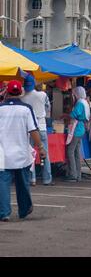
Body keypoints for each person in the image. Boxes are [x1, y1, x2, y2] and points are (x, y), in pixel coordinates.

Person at [0, 80, 46, 221]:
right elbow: (33, 130)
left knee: (3, 184)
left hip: (2, 154)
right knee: (23, 182)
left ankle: (4, 213)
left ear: (7, 91)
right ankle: (24, 209)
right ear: (20, 92)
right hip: (21, 153)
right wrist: (41, 147)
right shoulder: (26, 109)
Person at [22, 75, 53, 186]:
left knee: (30, 154)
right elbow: (48, 108)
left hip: (29, 129)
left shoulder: (22, 97)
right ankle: (47, 179)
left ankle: (32, 179)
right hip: (42, 126)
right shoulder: (42, 95)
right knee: (44, 154)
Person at [65, 86, 90, 182]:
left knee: (70, 151)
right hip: (81, 128)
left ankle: (73, 174)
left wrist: (66, 115)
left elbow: (74, 115)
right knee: (76, 152)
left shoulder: (79, 103)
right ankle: (78, 174)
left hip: (76, 128)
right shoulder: (85, 102)